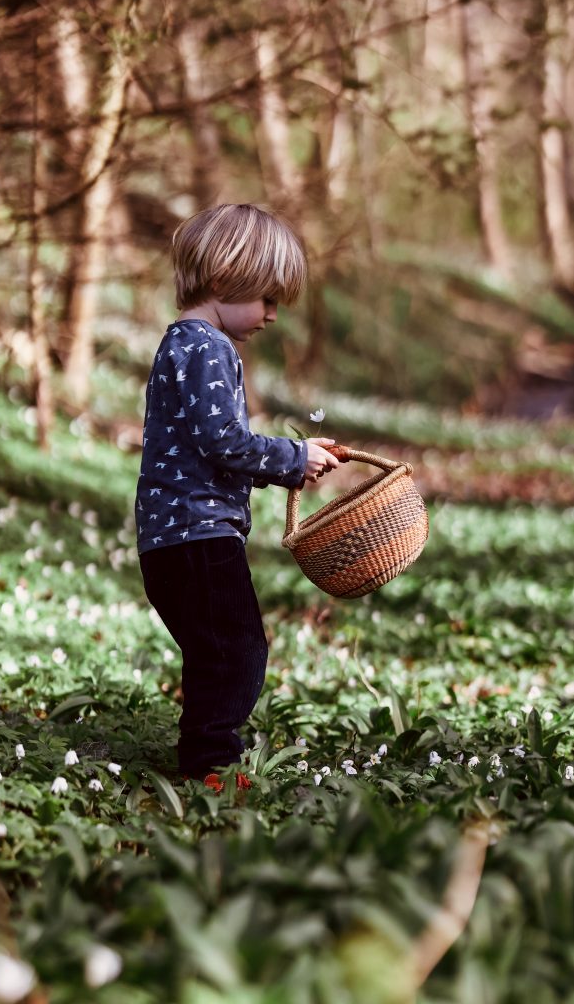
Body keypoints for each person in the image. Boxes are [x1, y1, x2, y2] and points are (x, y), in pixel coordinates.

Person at [135, 203, 339, 786]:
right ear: (225, 281)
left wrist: (293, 454)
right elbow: (224, 441)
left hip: (172, 537)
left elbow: (206, 445)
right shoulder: (208, 347)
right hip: (197, 535)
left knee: (215, 650)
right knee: (237, 651)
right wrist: (293, 459)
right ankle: (210, 765)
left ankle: (206, 756)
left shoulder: (183, 343)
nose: (274, 316)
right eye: (267, 299)